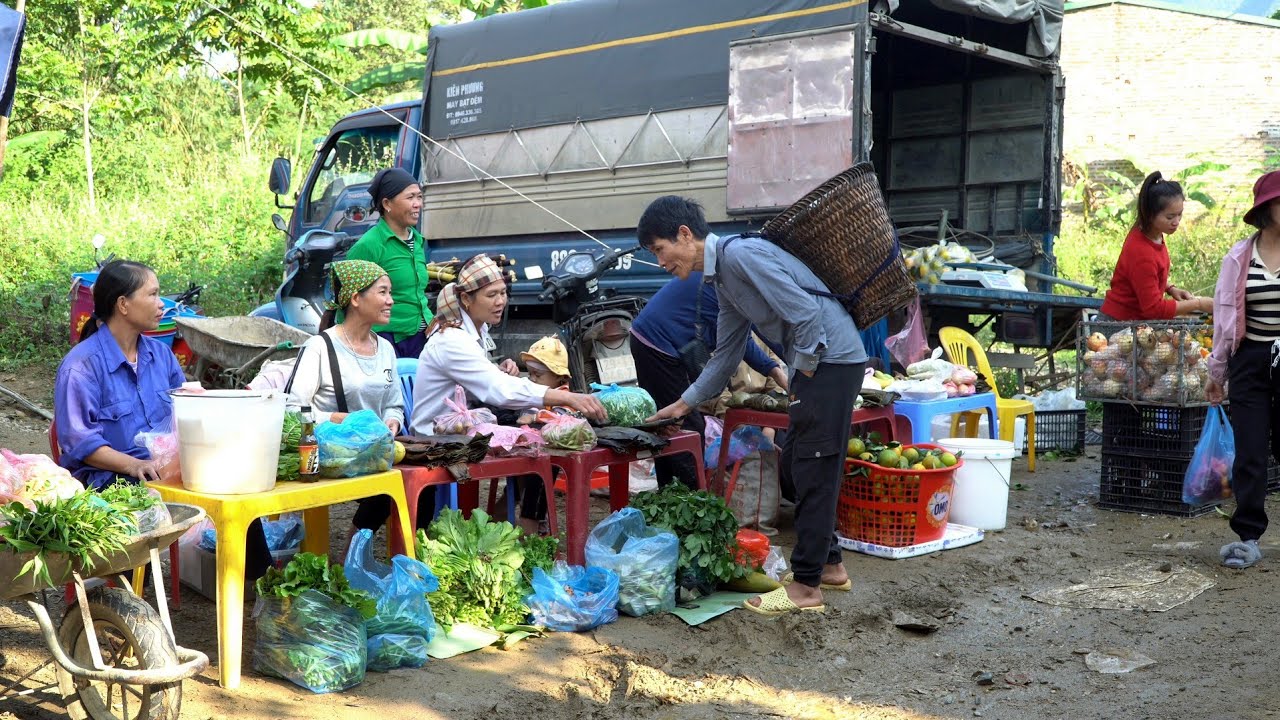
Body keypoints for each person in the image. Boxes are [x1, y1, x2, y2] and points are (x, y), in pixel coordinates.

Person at [639, 196, 867, 616]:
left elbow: (804, 315)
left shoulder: (741, 256)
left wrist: (805, 375)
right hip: (821, 364)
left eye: (659, 250)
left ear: (684, 235)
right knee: (799, 458)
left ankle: (806, 586)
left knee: (814, 465)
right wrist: (681, 403)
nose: (660, 262)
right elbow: (727, 353)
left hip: (832, 361)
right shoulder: (722, 276)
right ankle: (831, 566)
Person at [53, 260, 273, 578]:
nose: (162, 305)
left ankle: (260, 586)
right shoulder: (81, 366)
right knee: (134, 510)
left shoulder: (161, 355)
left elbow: (182, 416)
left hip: (164, 473)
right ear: (123, 305)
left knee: (237, 492)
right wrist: (133, 465)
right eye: (154, 295)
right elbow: (79, 442)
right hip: (107, 483)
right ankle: (121, 605)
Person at [286, 260, 407, 550]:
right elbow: (291, 408)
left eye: (390, 293)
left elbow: (395, 405)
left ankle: (403, 560)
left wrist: (393, 421)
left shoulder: (386, 349)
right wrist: (333, 418)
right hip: (332, 455)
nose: (390, 301)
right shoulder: (320, 347)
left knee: (418, 485)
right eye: (382, 292)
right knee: (383, 492)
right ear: (355, 298)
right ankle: (351, 555)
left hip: (373, 454)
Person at [411, 254, 606, 433]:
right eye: (491, 295)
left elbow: (480, 377)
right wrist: (568, 397)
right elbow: (498, 389)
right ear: (465, 298)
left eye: (503, 293)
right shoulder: (451, 340)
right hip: (435, 438)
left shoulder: (478, 330)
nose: (500, 302)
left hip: (467, 428)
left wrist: (495, 368)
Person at [630, 273, 788, 489]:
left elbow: (744, 340)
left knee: (675, 426)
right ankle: (689, 504)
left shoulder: (736, 285)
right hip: (656, 345)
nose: (661, 265)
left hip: (667, 346)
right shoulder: (727, 284)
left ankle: (672, 496)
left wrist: (777, 373)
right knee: (684, 428)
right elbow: (754, 338)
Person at [1205, 169, 1280, 569]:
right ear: (1266, 210)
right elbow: (1223, 318)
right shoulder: (1239, 257)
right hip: (1249, 360)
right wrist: (1216, 373)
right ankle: (1248, 537)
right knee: (1250, 451)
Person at [1099, 171, 1213, 321]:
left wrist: (1170, 288)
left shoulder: (1153, 234)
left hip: (1133, 322)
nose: (1176, 222)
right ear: (1150, 214)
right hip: (1119, 325)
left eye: (1180, 214)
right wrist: (1197, 304)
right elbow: (1154, 310)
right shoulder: (1141, 252)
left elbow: (1145, 279)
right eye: (1170, 217)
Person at [345, 167, 434, 358]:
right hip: (387, 341)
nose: (417, 204)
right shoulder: (370, 245)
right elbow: (346, 299)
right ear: (387, 203)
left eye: (419, 197)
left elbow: (417, 294)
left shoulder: (416, 240)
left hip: (422, 336)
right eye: (410, 198)